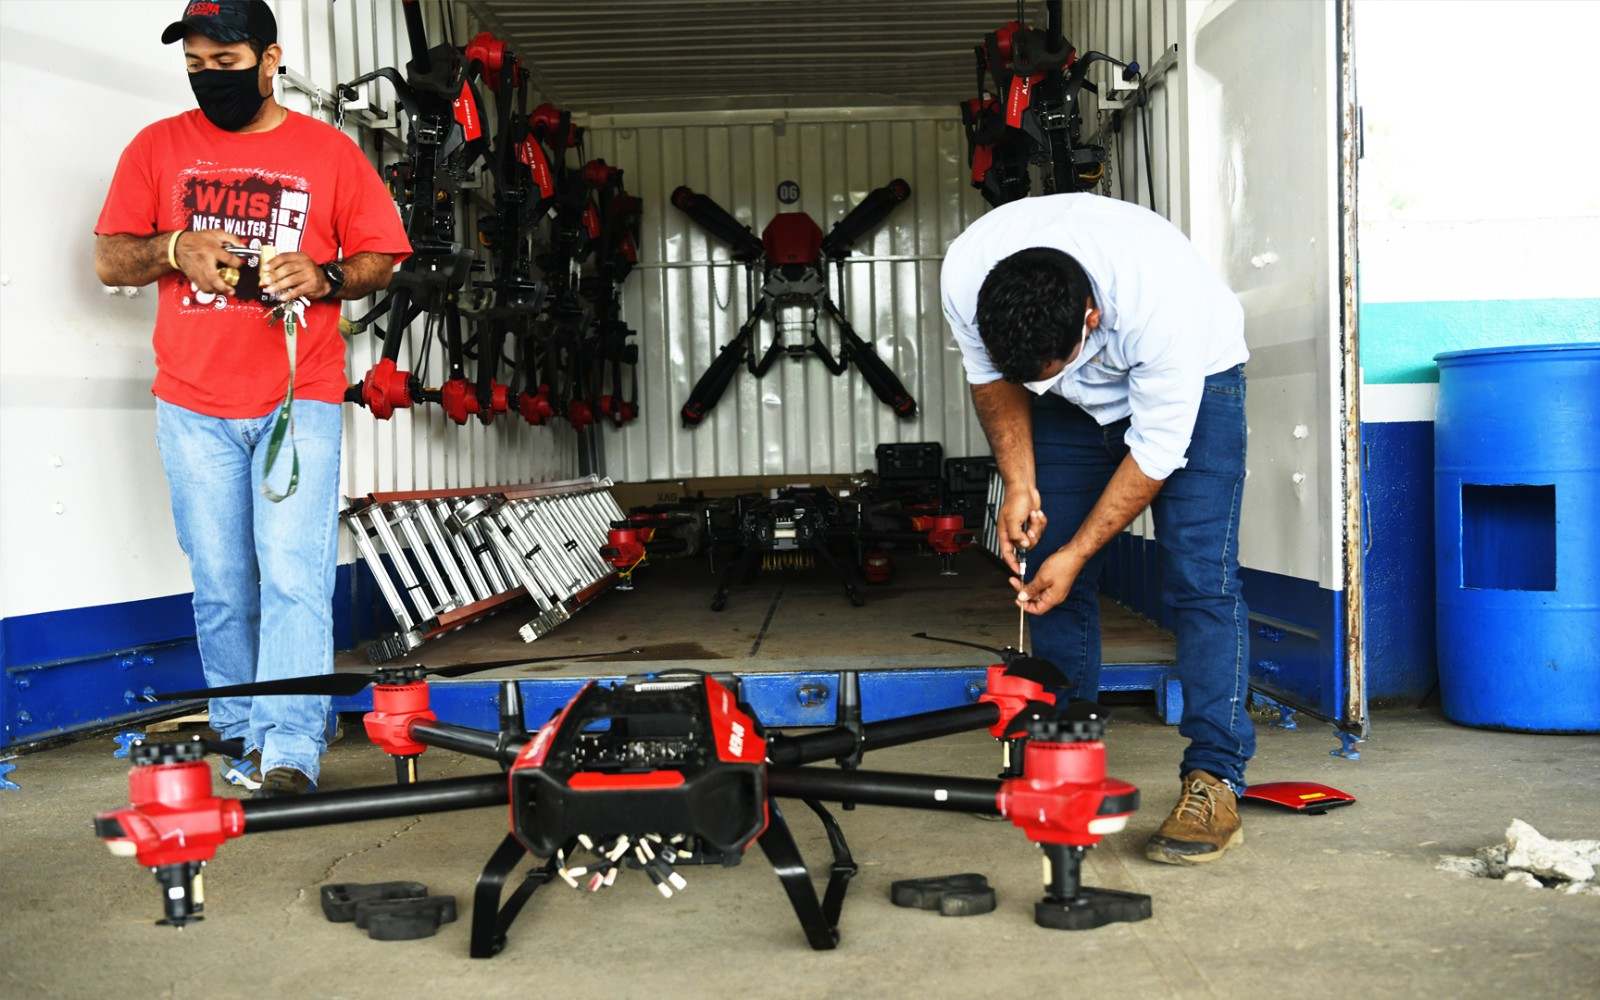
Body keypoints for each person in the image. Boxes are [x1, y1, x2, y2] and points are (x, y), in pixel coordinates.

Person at [93, 0, 411, 798]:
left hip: (294, 398)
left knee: (295, 575)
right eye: (196, 66)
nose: (210, 81)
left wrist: (325, 274)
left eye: (226, 66)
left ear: (271, 61)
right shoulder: (157, 147)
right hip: (191, 404)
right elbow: (108, 259)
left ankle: (291, 748)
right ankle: (242, 727)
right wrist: (173, 247)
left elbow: (386, 256)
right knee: (223, 581)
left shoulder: (328, 152)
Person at [941, 193, 1254, 864]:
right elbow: (993, 383)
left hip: (1199, 383)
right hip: (1071, 412)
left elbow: (1158, 452)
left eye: (1049, 369)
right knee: (1045, 566)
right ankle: (1062, 759)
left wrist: (1082, 551)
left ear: (1091, 319)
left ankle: (1215, 777)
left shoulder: (1159, 302)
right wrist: (1018, 484)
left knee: (1201, 578)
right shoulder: (968, 273)